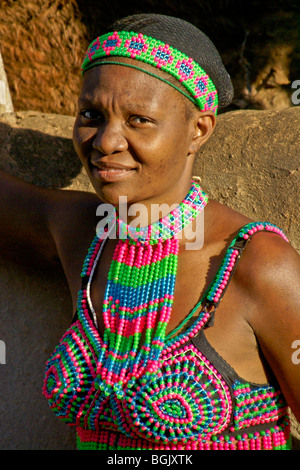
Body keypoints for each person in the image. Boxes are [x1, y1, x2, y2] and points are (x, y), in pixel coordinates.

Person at [1, 13, 299, 451]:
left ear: (199, 129)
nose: (105, 141)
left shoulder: (256, 265)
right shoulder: (79, 234)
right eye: (91, 114)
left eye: (139, 119)